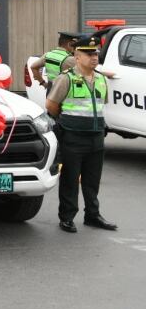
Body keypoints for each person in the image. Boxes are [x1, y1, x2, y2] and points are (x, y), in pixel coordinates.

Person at [46, 34, 117, 233]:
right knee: (70, 179)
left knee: (92, 180)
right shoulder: (66, 78)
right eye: (88, 54)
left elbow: (102, 104)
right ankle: (67, 217)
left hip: (96, 136)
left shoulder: (102, 79)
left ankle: (92, 215)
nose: (94, 57)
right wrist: (69, 121)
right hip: (72, 136)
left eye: (95, 53)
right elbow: (51, 105)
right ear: (77, 56)